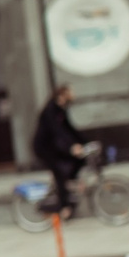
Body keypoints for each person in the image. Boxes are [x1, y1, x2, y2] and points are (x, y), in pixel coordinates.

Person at [33, 82, 90, 217]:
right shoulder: (50, 109)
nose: (73, 95)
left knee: (80, 159)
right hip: (43, 148)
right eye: (71, 92)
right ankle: (64, 207)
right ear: (62, 95)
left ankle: (70, 184)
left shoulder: (61, 110)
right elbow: (58, 131)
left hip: (54, 147)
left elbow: (69, 129)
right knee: (59, 172)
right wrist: (71, 147)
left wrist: (85, 142)